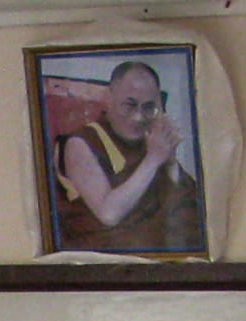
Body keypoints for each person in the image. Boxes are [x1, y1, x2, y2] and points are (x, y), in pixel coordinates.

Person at [54, 59, 202, 255]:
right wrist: (153, 160)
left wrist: (170, 162)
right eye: (129, 105)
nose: (138, 117)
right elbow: (109, 214)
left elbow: (187, 209)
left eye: (148, 107)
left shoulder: (152, 141)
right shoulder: (82, 143)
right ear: (109, 97)